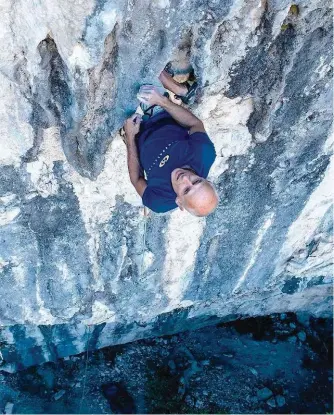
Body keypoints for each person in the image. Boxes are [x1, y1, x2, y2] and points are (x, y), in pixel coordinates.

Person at [123, 69, 219, 216]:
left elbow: (137, 180)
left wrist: (130, 136)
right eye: (197, 181)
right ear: (207, 181)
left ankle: (180, 91)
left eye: (186, 190)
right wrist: (161, 101)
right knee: (147, 69)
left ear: (179, 202)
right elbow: (195, 124)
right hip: (161, 112)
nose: (185, 178)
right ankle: (179, 91)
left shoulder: (159, 201)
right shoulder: (204, 154)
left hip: (136, 131)